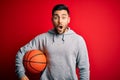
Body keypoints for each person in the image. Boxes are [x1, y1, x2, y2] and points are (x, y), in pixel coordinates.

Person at [15, 4, 90, 80]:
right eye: (56, 17)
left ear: (68, 20)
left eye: (63, 17)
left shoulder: (78, 40)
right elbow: (21, 52)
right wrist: (21, 74)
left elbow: (84, 69)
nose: (60, 21)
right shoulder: (43, 38)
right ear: (52, 20)